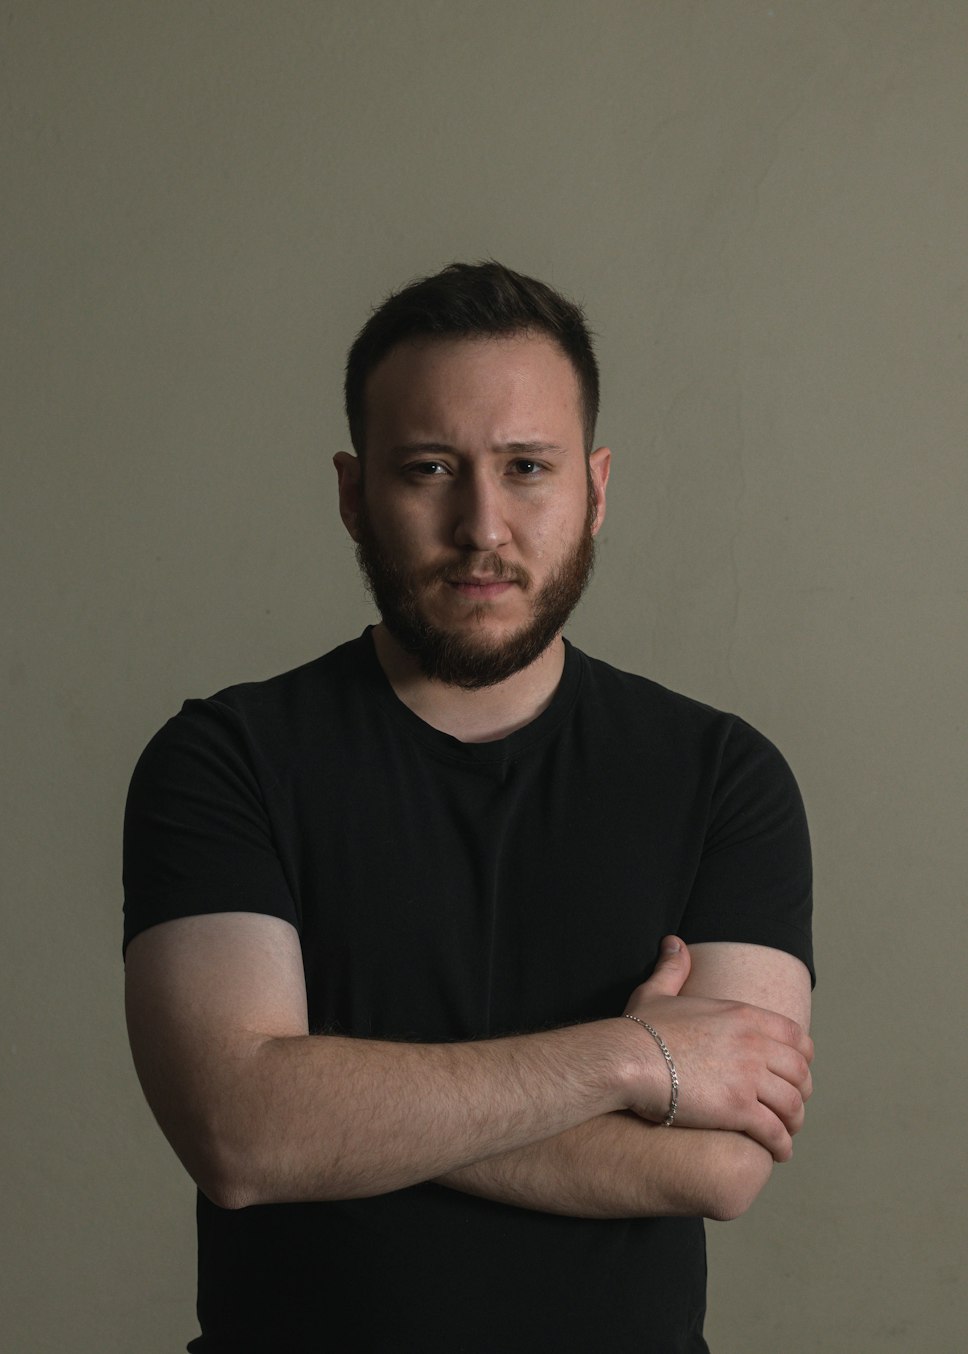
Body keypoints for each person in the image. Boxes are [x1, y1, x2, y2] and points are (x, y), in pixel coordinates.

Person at [123, 261, 814, 1353]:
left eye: (526, 467)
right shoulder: (224, 760)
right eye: (429, 468)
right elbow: (240, 1134)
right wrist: (628, 1057)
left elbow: (720, 1165)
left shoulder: (722, 774)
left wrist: (334, 1104)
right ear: (354, 493)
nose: (481, 525)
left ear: (594, 486)